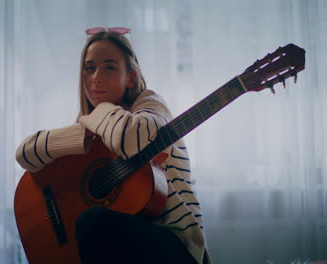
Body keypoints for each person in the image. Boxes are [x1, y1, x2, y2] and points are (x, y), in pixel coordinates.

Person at [15, 27, 211, 264]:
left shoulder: (151, 106)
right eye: (89, 68)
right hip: (124, 247)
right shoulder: (93, 132)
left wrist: (97, 112)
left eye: (109, 67)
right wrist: (80, 135)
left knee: (94, 222)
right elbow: (25, 153)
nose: (96, 77)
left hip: (178, 246)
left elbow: (131, 139)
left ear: (131, 78)